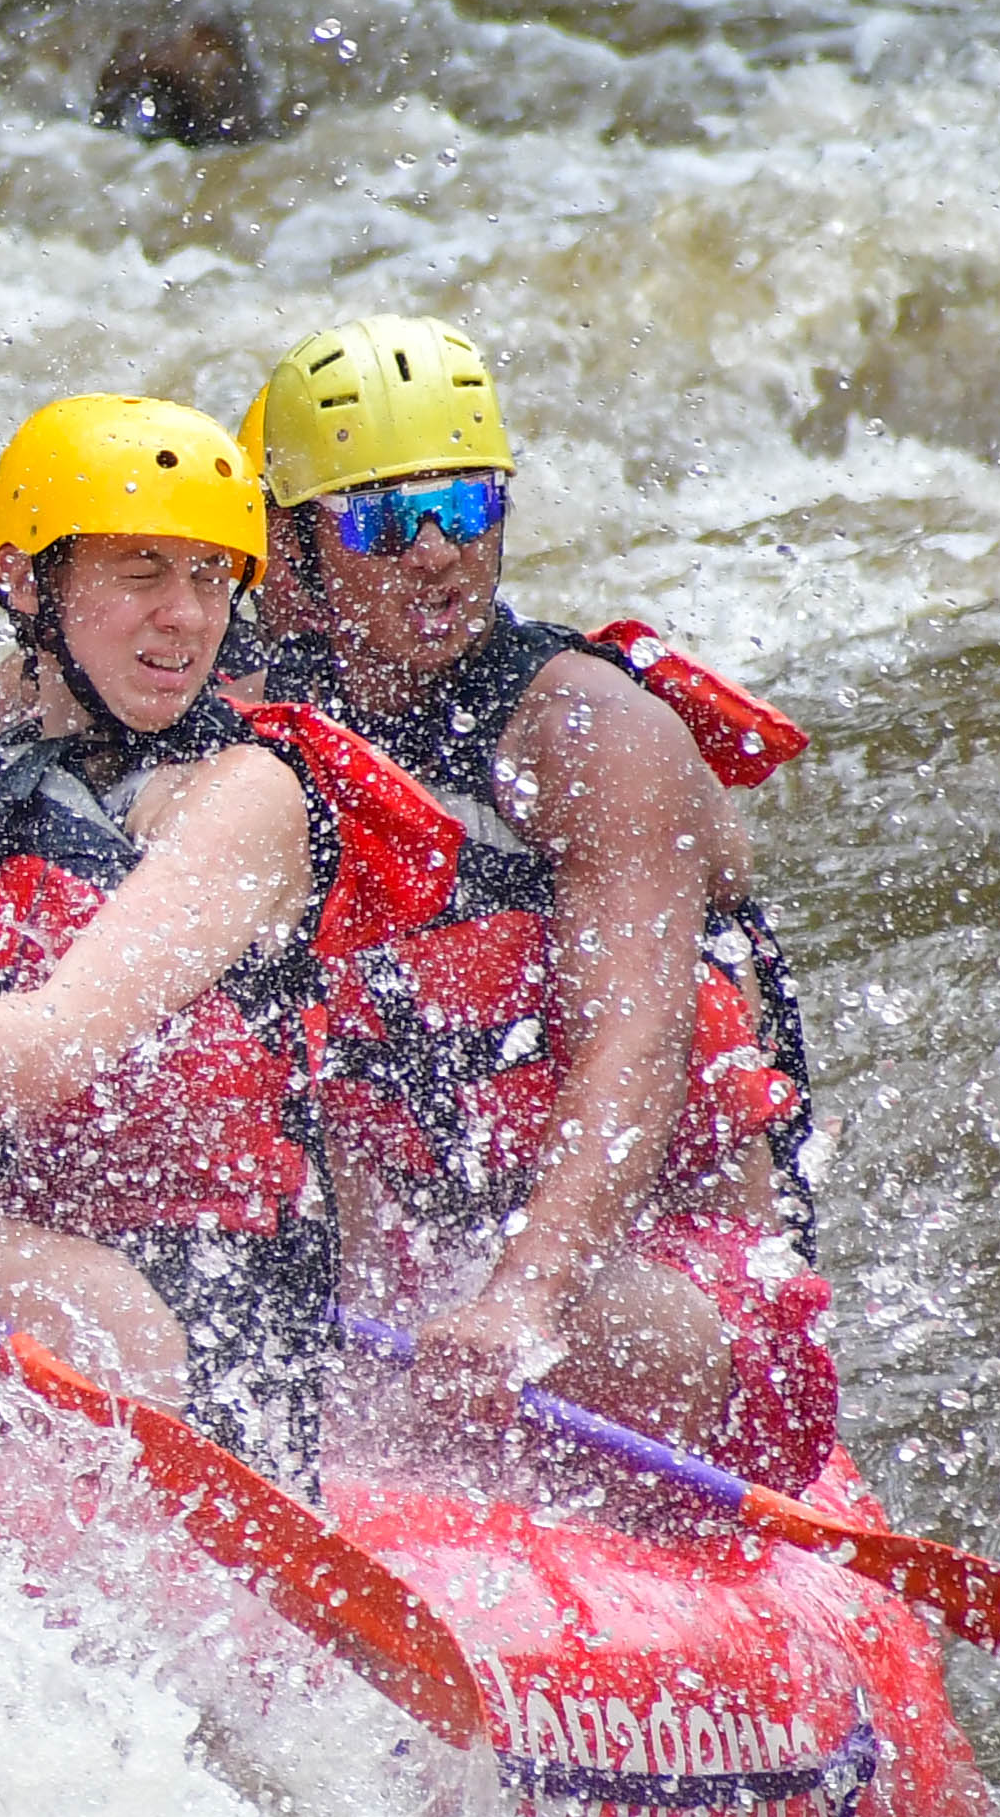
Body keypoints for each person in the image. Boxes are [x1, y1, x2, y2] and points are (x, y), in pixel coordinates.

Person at [241, 321, 834, 1495]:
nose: (433, 557)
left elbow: (638, 1041)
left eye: (463, 510)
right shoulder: (239, 697)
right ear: (291, 552)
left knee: (606, 1339)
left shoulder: (583, 731)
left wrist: (520, 1297)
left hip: (657, 1274)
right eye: (378, 520)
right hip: (414, 1251)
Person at [0, 396, 463, 1431]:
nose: (184, 614)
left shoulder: (246, 795)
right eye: (140, 572)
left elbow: (52, 1046)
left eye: (207, 576)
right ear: (24, 584)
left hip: (203, 1338)